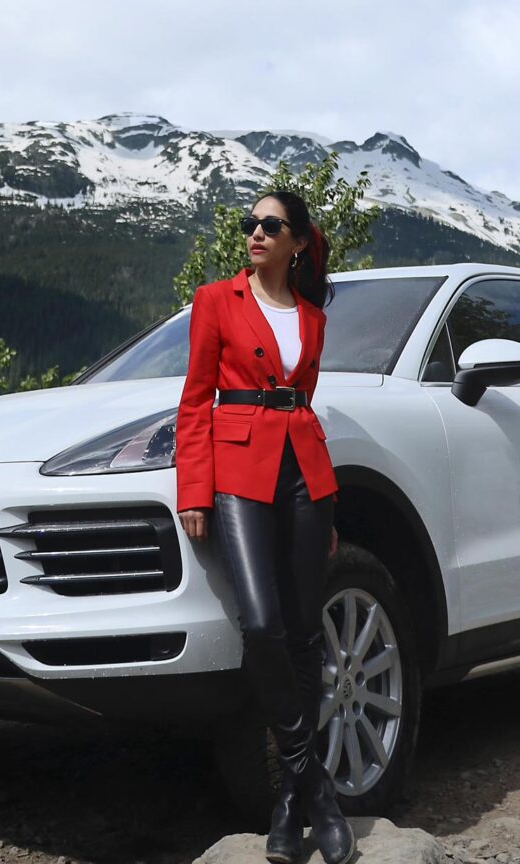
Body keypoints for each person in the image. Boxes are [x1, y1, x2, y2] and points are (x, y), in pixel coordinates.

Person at [175, 191, 354, 864]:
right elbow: (194, 401)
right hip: (237, 473)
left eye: (268, 225)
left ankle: (288, 803)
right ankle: (317, 788)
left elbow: (303, 402)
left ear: (297, 242)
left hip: (305, 473)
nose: (253, 232)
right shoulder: (215, 299)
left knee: (307, 630)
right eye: (248, 223)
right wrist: (192, 489)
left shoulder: (310, 317)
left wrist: (324, 502)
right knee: (261, 623)